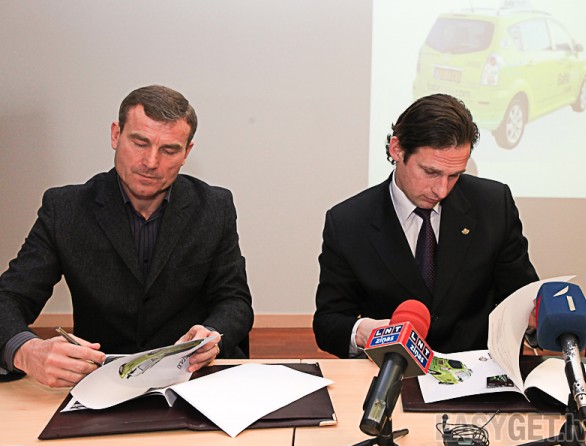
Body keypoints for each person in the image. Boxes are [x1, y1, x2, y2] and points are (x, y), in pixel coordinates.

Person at [0, 85, 254, 386]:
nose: (151, 162)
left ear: (186, 153)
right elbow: (9, 298)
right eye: (140, 143)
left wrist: (212, 334)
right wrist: (26, 351)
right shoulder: (65, 210)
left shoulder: (214, 207)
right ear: (115, 135)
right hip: (100, 381)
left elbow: (234, 300)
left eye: (169, 150)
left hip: (193, 380)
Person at [313, 93, 538, 359]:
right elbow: (329, 323)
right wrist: (364, 332)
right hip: (392, 371)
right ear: (397, 149)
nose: (441, 190)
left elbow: (522, 298)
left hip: (478, 373)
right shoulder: (348, 222)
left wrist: (535, 321)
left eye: (454, 175)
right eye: (431, 172)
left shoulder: (494, 205)